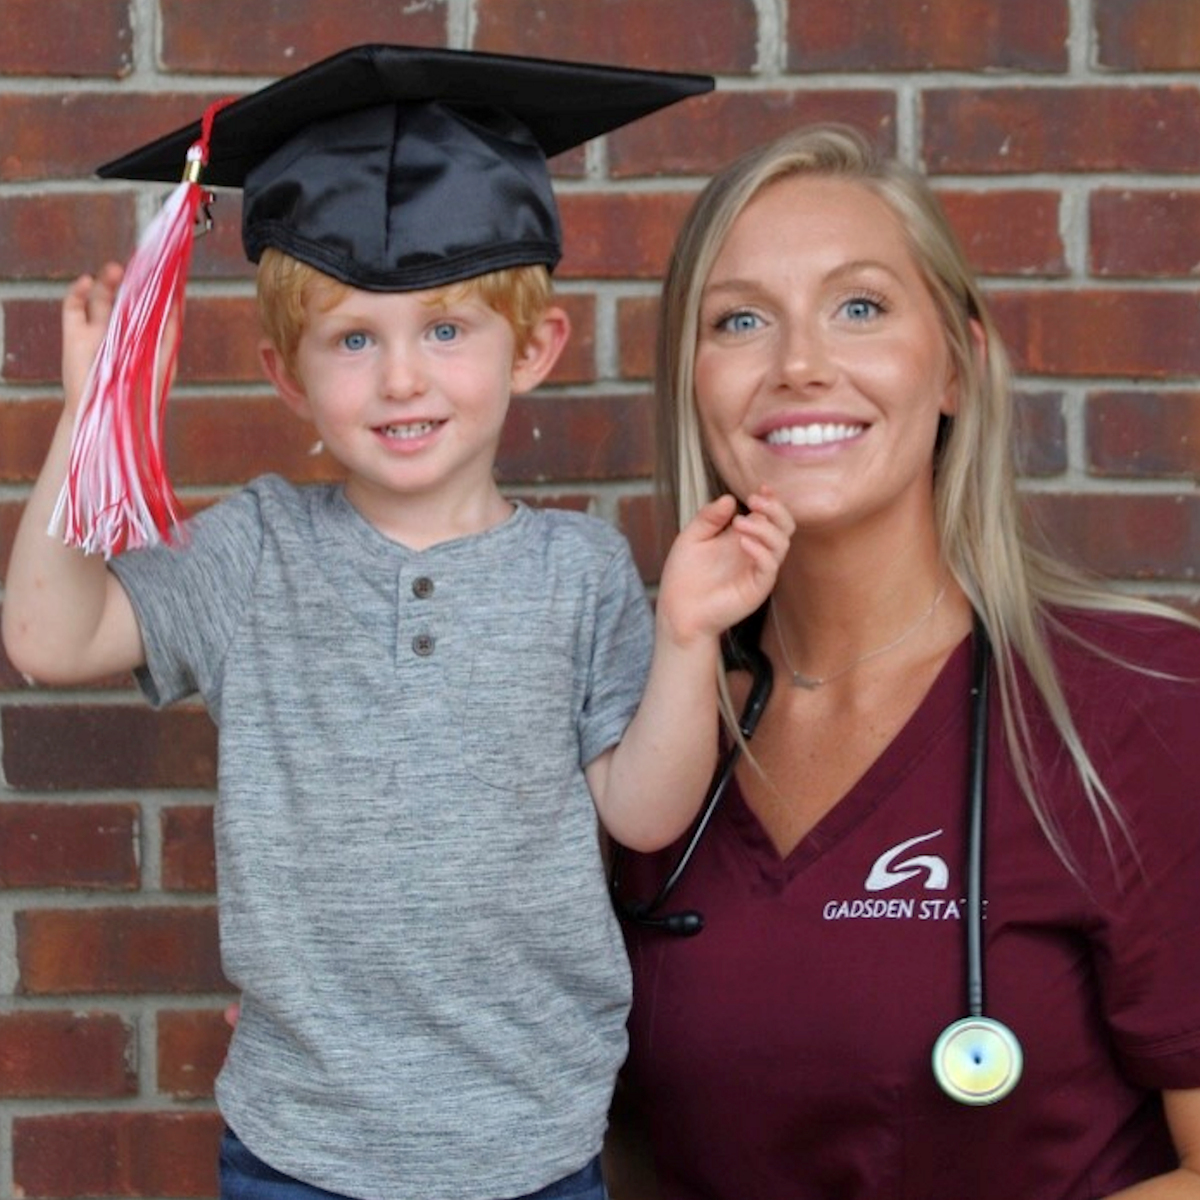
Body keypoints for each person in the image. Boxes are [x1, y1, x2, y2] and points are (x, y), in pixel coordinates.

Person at [1, 46, 795, 1200]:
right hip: (300, 1149)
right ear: (288, 376)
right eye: (353, 340)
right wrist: (94, 411)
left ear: (533, 349)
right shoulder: (258, 553)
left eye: (446, 331)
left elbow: (643, 807)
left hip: (530, 1141)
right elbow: (49, 637)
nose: (402, 380)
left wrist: (684, 638)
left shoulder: (578, 573)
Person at [606, 123, 1200, 1199]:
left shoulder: (1137, 705)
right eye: (740, 319)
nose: (798, 364)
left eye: (861, 307)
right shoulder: (646, 744)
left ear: (958, 370)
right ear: (691, 383)